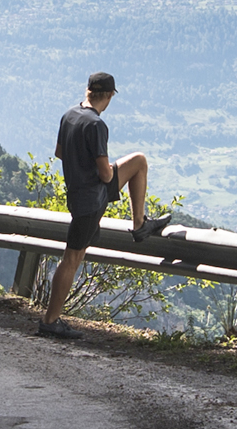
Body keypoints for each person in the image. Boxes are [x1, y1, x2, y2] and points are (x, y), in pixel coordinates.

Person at [35, 71, 172, 339]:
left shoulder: (70, 115)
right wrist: (103, 169)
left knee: (137, 161)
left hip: (78, 192)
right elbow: (107, 175)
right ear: (109, 96)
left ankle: (140, 224)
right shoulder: (96, 125)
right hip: (92, 198)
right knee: (71, 259)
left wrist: (81, 167)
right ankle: (50, 321)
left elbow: (60, 153)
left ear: (88, 91)